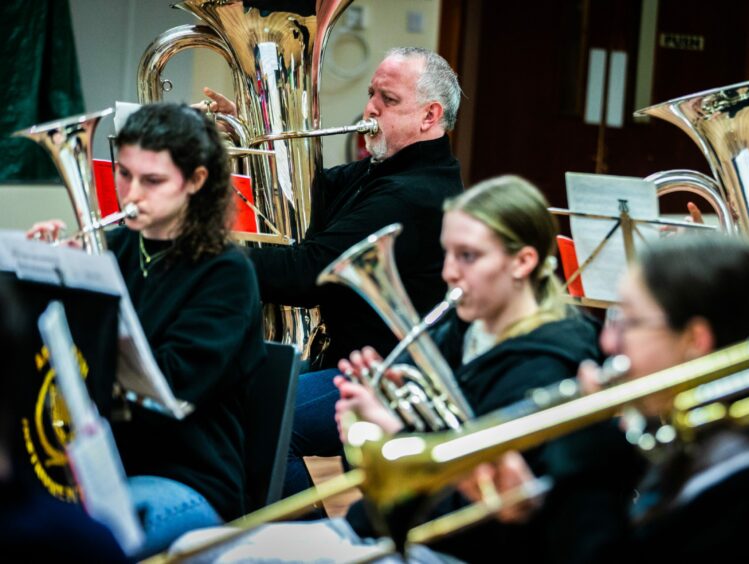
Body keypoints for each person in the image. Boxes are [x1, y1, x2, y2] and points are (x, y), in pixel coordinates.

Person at [171, 175, 611, 562]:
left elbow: (473, 520)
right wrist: (361, 435)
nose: (450, 273)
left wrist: (395, 437)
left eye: (468, 256)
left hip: (449, 548)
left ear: (523, 262)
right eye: (448, 254)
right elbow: (372, 489)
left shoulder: (547, 365)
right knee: (194, 549)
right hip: (387, 531)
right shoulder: (456, 333)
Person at [464, 234, 749, 563]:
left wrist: (586, 453)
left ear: (694, 339)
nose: (608, 342)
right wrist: (528, 513)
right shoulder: (690, 445)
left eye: (630, 322)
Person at [204, 46, 465, 496]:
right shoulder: (380, 173)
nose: (370, 109)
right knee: (222, 389)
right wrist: (241, 139)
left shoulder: (414, 193)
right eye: (371, 95)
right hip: (345, 360)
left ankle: (296, 540)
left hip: (389, 374)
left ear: (429, 116)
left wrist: (201, 256)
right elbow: (305, 191)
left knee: (254, 416)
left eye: (388, 99)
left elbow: (308, 273)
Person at [28, 103, 266, 557]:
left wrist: (91, 312)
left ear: (196, 181)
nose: (131, 194)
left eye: (152, 180)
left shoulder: (226, 272)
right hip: (103, 468)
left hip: (187, 477)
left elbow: (172, 387)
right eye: (124, 174)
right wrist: (43, 282)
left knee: (72, 547)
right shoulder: (112, 248)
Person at [0, 279, 130, 562]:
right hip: (104, 480)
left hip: (184, 470)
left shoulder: (227, 271)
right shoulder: (77, 542)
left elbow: (182, 381)